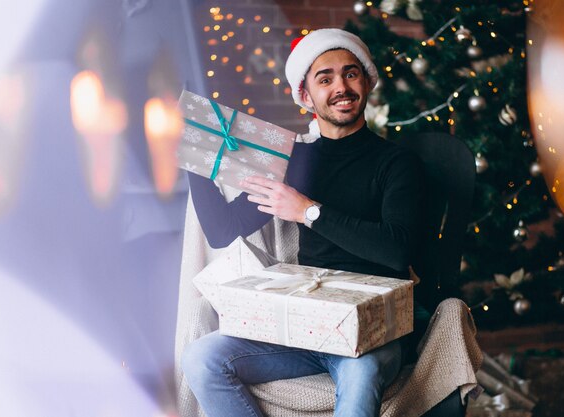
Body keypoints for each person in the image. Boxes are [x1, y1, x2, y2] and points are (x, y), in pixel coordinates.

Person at [181, 28, 427, 417]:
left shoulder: (396, 163)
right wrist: (195, 150)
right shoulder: (293, 161)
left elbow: (397, 250)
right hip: (304, 325)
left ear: (366, 82)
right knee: (202, 358)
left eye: (351, 74)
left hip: (373, 331)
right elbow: (222, 229)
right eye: (324, 79)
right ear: (306, 97)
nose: (341, 87)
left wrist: (307, 211)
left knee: (361, 374)